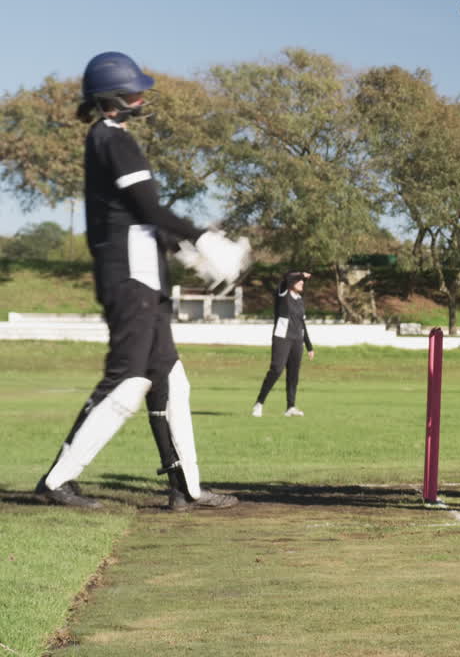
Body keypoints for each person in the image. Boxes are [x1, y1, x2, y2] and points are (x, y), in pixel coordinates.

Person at [35, 51, 249, 510]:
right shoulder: (112, 140)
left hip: (143, 277)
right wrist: (203, 238)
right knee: (128, 380)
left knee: (170, 379)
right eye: (134, 91)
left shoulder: (110, 140)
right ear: (113, 99)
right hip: (129, 278)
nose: (141, 97)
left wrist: (182, 248)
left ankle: (184, 487)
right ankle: (56, 480)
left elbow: (140, 216)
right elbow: (149, 209)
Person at [252, 270, 314, 417]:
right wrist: (301, 274)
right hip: (282, 338)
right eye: (299, 281)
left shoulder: (299, 299)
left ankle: (290, 407)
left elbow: (302, 324)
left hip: (297, 340)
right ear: (292, 282)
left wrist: (309, 346)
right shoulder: (282, 293)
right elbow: (287, 278)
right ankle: (259, 403)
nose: (302, 283)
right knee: (276, 369)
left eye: (303, 282)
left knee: (293, 374)